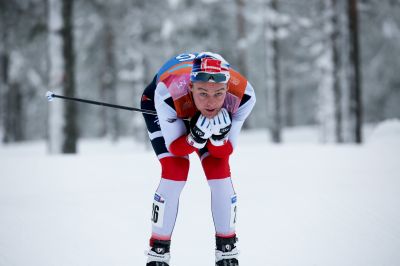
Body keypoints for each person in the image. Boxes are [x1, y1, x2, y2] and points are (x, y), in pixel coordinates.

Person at [140, 52, 256, 266]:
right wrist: (195, 138)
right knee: (175, 169)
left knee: (218, 169)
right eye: (203, 93)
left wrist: (219, 139)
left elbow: (224, 152)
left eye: (219, 93)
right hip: (170, 105)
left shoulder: (244, 96)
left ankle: (227, 251)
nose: (211, 102)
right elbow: (175, 147)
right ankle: (157, 252)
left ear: (228, 89)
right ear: (191, 87)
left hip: (187, 104)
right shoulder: (168, 92)